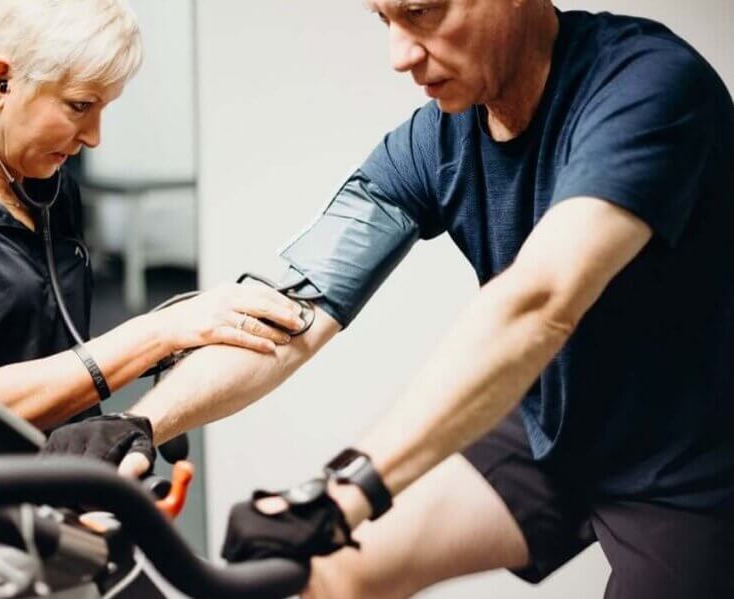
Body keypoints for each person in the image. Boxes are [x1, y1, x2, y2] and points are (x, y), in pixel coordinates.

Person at [51, 0, 734, 597]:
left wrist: (346, 490)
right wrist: (138, 424)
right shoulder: (433, 141)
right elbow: (292, 310)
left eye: (421, 11)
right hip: (551, 426)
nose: (400, 54)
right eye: (384, 19)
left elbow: (538, 303)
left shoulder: (648, 88)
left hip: (692, 466)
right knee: (321, 571)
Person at [0, 0, 304, 442]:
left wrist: (185, 331)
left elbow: (53, 353)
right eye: (81, 105)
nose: (95, 137)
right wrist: (160, 330)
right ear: (0, 81)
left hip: (71, 483)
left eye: (104, 109)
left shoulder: (48, 187)